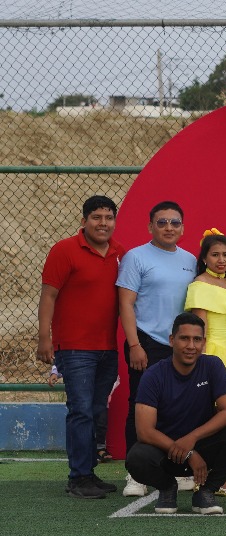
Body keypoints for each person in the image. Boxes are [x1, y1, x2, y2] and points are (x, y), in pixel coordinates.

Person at [38, 195, 125, 499]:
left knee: (97, 411)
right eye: (96, 217)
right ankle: (78, 478)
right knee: (81, 411)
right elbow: (48, 295)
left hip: (107, 347)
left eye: (108, 218)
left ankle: (88, 472)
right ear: (84, 221)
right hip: (74, 348)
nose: (103, 223)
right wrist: (45, 338)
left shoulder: (120, 253)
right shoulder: (64, 250)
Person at [124, 313, 226, 515]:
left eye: (197, 339)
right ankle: (167, 487)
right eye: (184, 338)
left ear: (204, 342)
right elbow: (144, 431)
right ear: (172, 340)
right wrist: (188, 453)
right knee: (136, 458)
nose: (191, 346)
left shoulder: (213, 365)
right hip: (165, 451)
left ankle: (206, 491)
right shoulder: (153, 375)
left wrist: (192, 439)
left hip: (202, 447)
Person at [118, 200, 197, 497]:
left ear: (183, 228)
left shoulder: (191, 260)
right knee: (140, 407)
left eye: (174, 222)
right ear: (150, 226)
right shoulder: (135, 257)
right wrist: (135, 344)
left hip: (181, 345)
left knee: (180, 408)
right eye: (162, 222)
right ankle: (136, 475)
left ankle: (178, 469)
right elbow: (126, 304)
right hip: (146, 342)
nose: (168, 227)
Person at [184, 230, 226, 497]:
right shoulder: (200, 284)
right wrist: (201, 360)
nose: (221, 260)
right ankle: (209, 474)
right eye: (215, 255)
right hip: (212, 352)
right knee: (213, 415)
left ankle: (217, 473)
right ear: (204, 258)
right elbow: (199, 327)